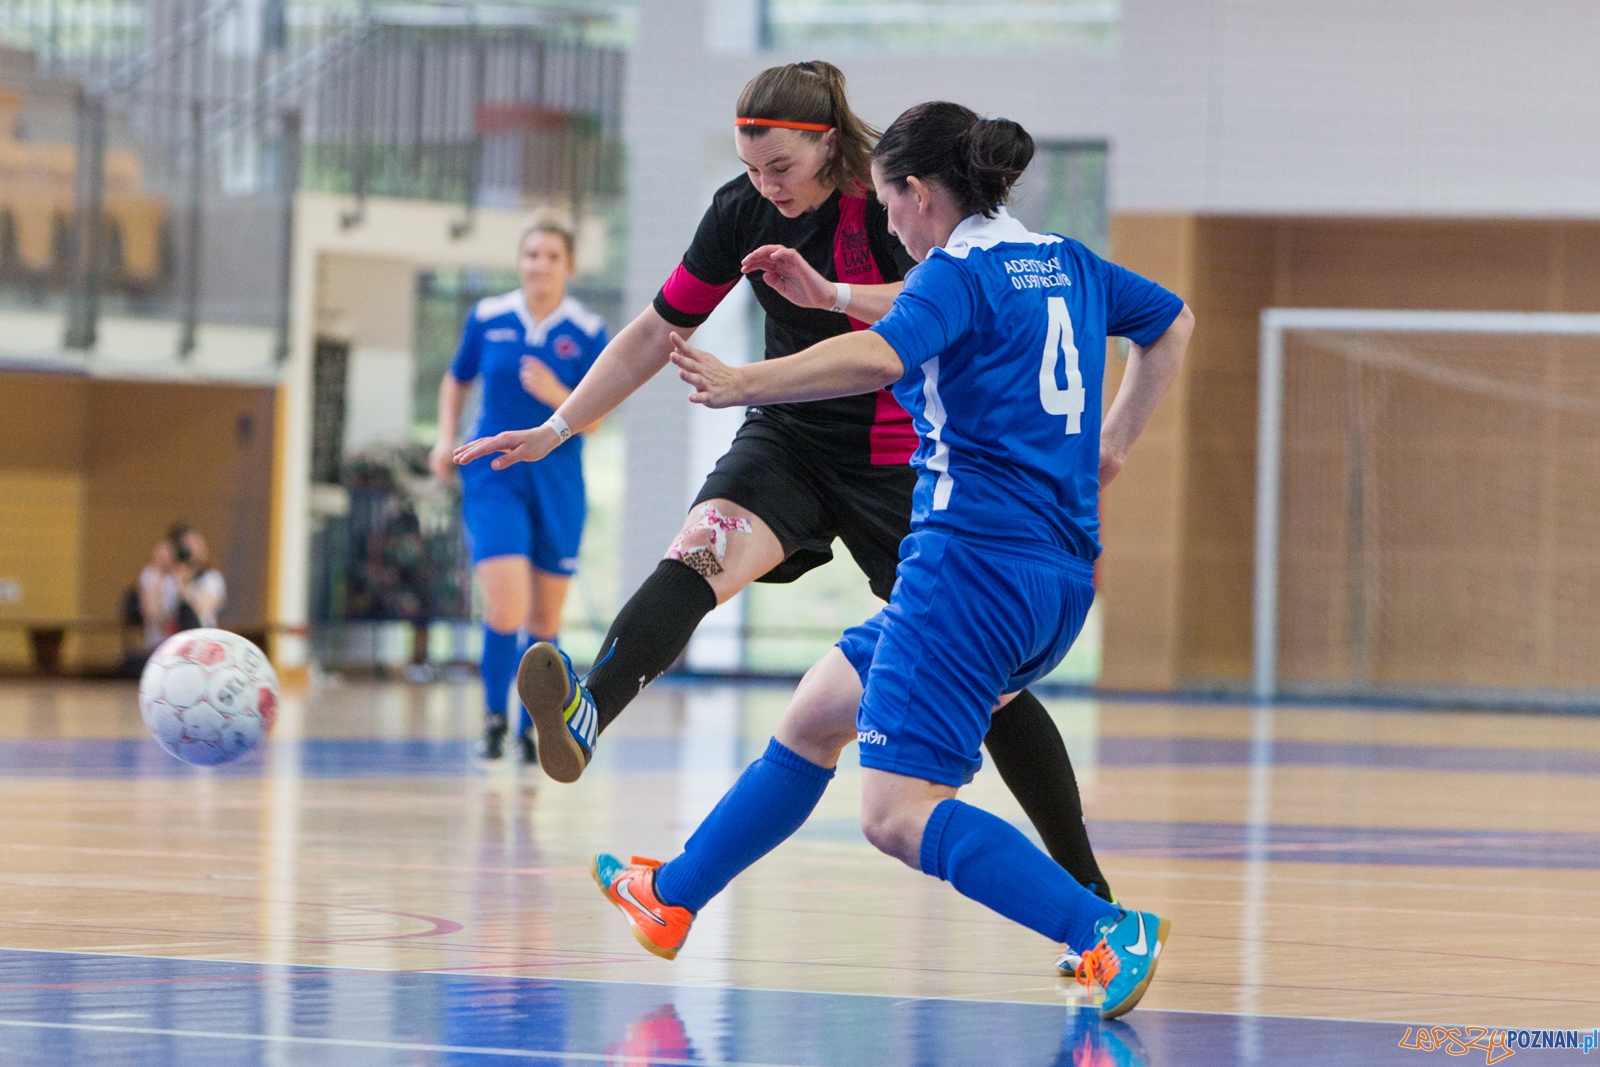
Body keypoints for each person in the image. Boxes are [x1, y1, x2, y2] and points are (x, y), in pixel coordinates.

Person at [453, 61, 1115, 904]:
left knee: (992, 690)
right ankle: (590, 708)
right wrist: (558, 426)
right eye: (751, 168)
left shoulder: (899, 196)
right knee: (698, 553)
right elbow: (659, 328)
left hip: (903, 454)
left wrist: (834, 295)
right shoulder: (741, 209)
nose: (764, 187)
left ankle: (1087, 887)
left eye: (780, 170)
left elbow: (950, 298)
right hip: (790, 437)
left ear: (828, 146)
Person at [588, 103, 1193, 1017]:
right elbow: (1173, 323)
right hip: (1056, 580)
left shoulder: (953, 274)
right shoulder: (1065, 262)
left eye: (890, 205)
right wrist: (1111, 446)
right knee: (816, 713)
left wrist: (746, 382)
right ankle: (672, 896)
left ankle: (1104, 931)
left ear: (916, 192)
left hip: (968, 574)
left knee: (895, 813)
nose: (893, 228)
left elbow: (878, 354)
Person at [432, 221, 607, 763]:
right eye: (531, 253)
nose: (539, 264)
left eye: (552, 255)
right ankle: (492, 718)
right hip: (494, 474)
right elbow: (456, 377)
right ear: (520, 260)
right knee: (506, 604)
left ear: (568, 267)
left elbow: (596, 418)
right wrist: (444, 437)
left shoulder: (587, 330)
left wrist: (559, 395)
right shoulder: (488, 317)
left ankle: (536, 729)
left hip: (557, 479)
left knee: (544, 623)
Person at [171, 525, 226, 630]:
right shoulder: (169, 578)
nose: (194, 548)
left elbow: (204, 609)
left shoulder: (212, 578)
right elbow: (155, 614)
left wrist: (184, 585)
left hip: (201, 639)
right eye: (187, 544)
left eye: (197, 542)